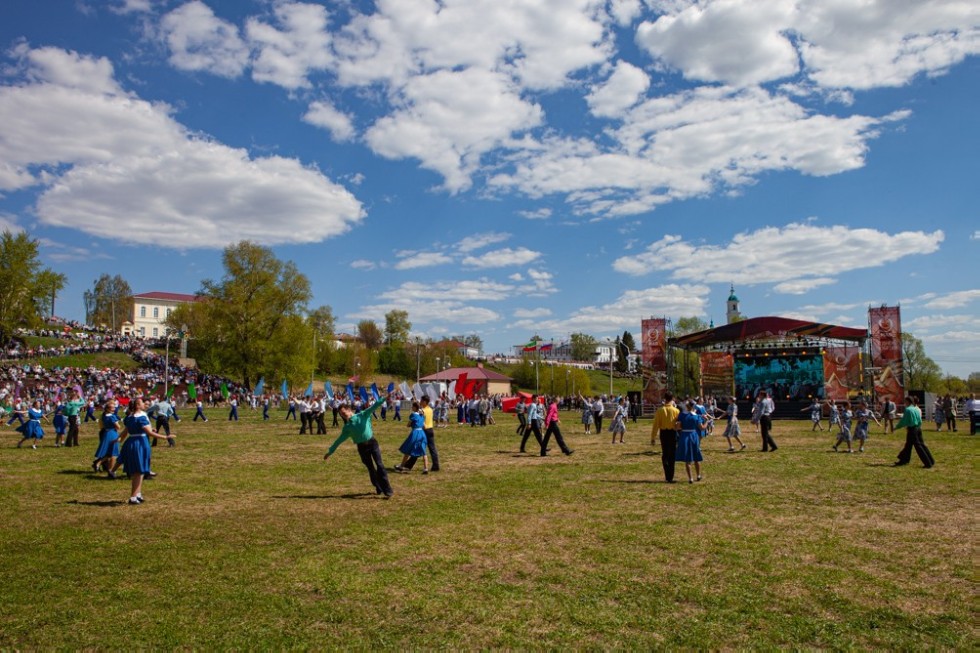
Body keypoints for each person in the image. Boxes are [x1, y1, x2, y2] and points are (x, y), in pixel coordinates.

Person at [323, 394, 393, 498]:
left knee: (380, 465)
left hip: (372, 443)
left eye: (343, 413)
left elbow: (374, 406)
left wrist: (384, 398)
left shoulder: (363, 415)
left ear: (349, 409)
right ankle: (378, 486)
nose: (343, 415)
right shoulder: (347, 427)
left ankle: (387, 490)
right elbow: (338, 441)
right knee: (371, 468)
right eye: (341, 414)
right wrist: (330, 452)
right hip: (362, 448)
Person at [118, 397, 172, 504]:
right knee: (138, 471)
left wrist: (117, 441)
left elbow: (124, 433)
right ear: (138, 405)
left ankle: (138, 494)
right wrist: (165, 437)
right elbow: (149, 433)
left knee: (140, 470)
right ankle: (133, 497)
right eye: (142, 402)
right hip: (140, 442)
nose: (144, 404)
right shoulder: (141, 416)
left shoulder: (130, 417)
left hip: (132, 442)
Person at [893, 395, 934, 468]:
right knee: (911, 445)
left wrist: (896, 427)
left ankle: (928, 463)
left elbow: (903, 421)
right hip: (918, 428)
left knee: (918, 446)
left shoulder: (908, 409)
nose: (904, 403)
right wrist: (918, 427)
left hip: (912, 429)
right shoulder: (916, 409)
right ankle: (904, 460)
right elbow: (920, 420)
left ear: (908, 401)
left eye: (905, 401)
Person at [651, 392, 680, 482]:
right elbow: (679, 425)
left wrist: (653, 437)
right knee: (672, 454)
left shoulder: (660, 410)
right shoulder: (676, 411)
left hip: (663, 433)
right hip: (672, 433)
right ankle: (670, 476)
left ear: (665, 399)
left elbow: (656, 425)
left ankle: (667, 474)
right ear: (672, 399)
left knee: (665, 454)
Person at [675, 400, 705, 483]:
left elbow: (677, 427)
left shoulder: (682, 415)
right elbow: (702, 428)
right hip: (694, 435)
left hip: (684, 435)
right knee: (696, 457)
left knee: (688, 459)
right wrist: (706, 421)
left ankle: (690, 478)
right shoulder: (697, 416)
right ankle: (698, 475)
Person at [394, 401, 428, 474]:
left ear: (415, 407)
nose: (411, 407)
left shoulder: (413, 415)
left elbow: (408, 424)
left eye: (412, 406)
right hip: (422, 433)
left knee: (408, 450)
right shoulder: (422, 415)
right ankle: (425, 468)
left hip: (415, 433)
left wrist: (411, 424)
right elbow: (425, 426)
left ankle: (401, 466)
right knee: (423, 452)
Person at [92, 398, 121, 478]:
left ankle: (98, 463)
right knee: (114, 453)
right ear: (109, 409)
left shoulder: (104, 415)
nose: (114, 408)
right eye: (113, 407)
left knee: (109, 453)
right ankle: (111, 470)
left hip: (106, 433)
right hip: (112, 434)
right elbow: (118, 427)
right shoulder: (112, 417)